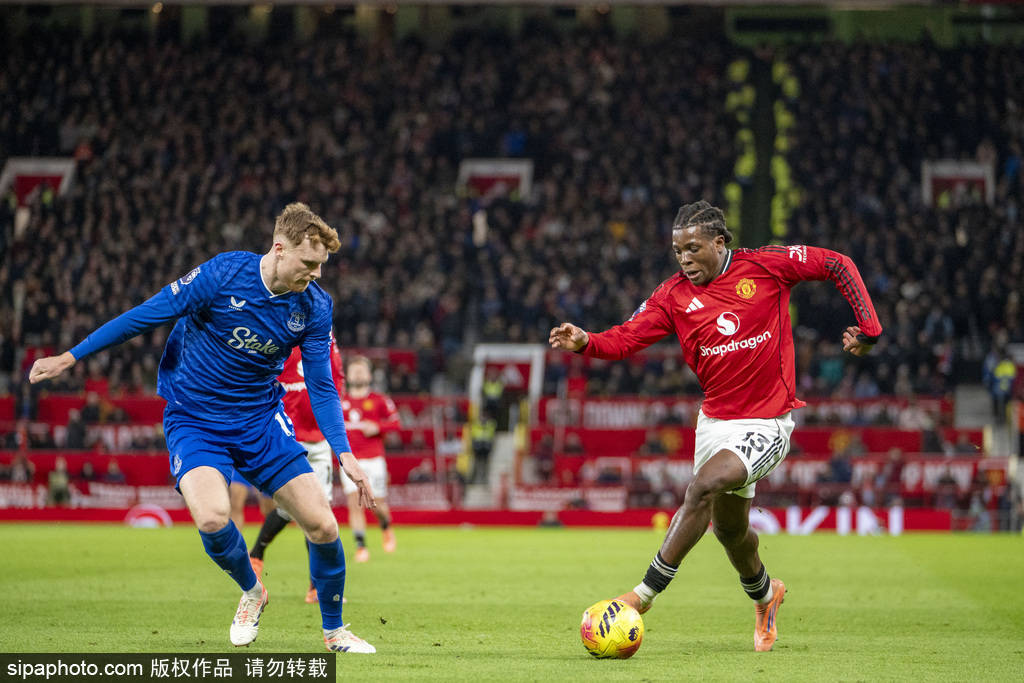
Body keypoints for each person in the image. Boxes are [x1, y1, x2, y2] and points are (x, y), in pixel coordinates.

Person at [29, 203, 377, 654]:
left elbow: (322, 384)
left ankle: (334, 633)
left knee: (324, 526)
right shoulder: (224, 274)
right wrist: (71, 357)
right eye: (307, 264)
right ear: (278, 249)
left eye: (321, 266)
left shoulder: (313, 306)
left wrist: (344, 452)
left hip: (258, 420)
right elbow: (149, 313)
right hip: (194, 419)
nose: (314, 274)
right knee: (213, 519)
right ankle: (253, 591)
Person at [549, 200, 882, 652]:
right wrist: (587, 341)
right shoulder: (672, 297)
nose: (684, 259)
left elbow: (837, 265)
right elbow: (626, 338)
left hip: (768, 422)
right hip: (715, 426)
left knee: (702, 487)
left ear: (719, 242)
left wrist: (869, 328)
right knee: (730, 531)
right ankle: (767, 597)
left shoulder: (766, 267)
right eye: (677, 251)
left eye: (692, 248)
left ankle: (642, 596)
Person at [248, 337, 347, 603]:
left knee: (317, 511)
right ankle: (258, 555)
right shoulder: (279, 334)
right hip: (289, 437)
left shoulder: (325, 338)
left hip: (319, 439)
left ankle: (312, 585)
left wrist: (333, 419)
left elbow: (337, 378)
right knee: (294, 509)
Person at [341, 355, 401, 563]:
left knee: (376, 504)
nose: (357, 373)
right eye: (354, 369)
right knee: (354, 502)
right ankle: (361, 546)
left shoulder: (379, 399)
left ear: (369, 375)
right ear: (347, 375)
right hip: (349, 460)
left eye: (361, 369)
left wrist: (378, 427)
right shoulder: (340, 401)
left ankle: (386, 526)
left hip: (374, 459)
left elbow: (396, 422)